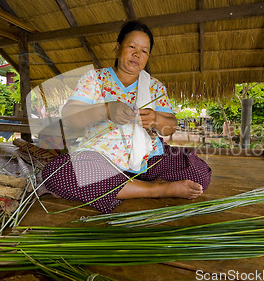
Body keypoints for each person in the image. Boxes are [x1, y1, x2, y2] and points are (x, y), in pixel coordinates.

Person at [41, 20, 212, 213]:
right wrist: (105, 110)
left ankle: (124, 186)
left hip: (148, 159)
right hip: (101, 158)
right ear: (117, 47)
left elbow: (170, 127)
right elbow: (70, 117)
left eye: (144, 51)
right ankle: (157, 188)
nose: (137, 54)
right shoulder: (95, 79)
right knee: (57, 174)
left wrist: (156, 119)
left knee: (199, 173)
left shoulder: (154, 86)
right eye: (132, 47)